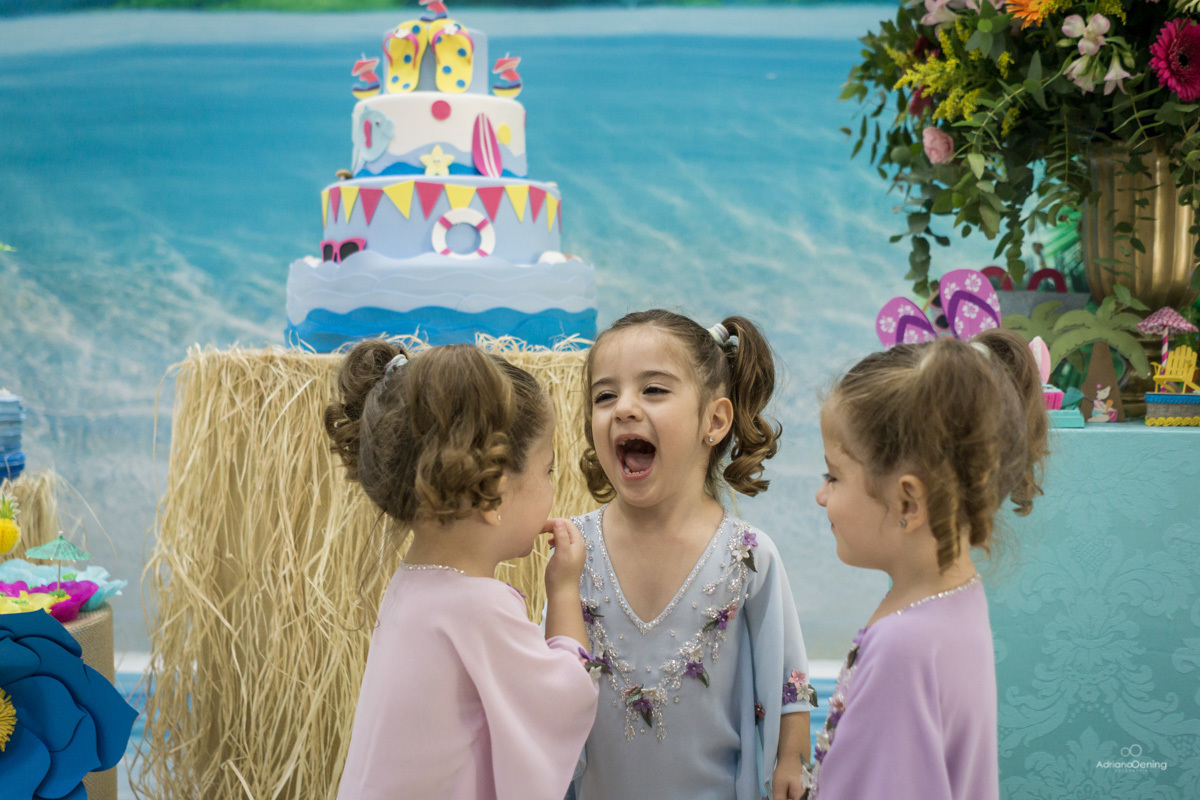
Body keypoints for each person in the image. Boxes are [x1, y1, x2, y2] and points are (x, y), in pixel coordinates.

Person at [324, 339, 599, 800]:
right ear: (495, 488)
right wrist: (565, 590)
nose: (552, 485)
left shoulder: (410, 588)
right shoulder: (478, 608)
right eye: (547, 470)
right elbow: (565, 702)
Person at [569, 310, 816, 800]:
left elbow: (790, 673)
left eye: (654, 390)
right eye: (605, 395)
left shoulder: (747, 556)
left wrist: (791, 759)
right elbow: (547, 681)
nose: (624, 408)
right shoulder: (574, 550)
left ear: (715, 420)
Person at [810, 329, 1048, 800]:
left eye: (832, 476)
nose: (821, 495)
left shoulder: (903, 649)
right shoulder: (956, 601)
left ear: (908, 502)